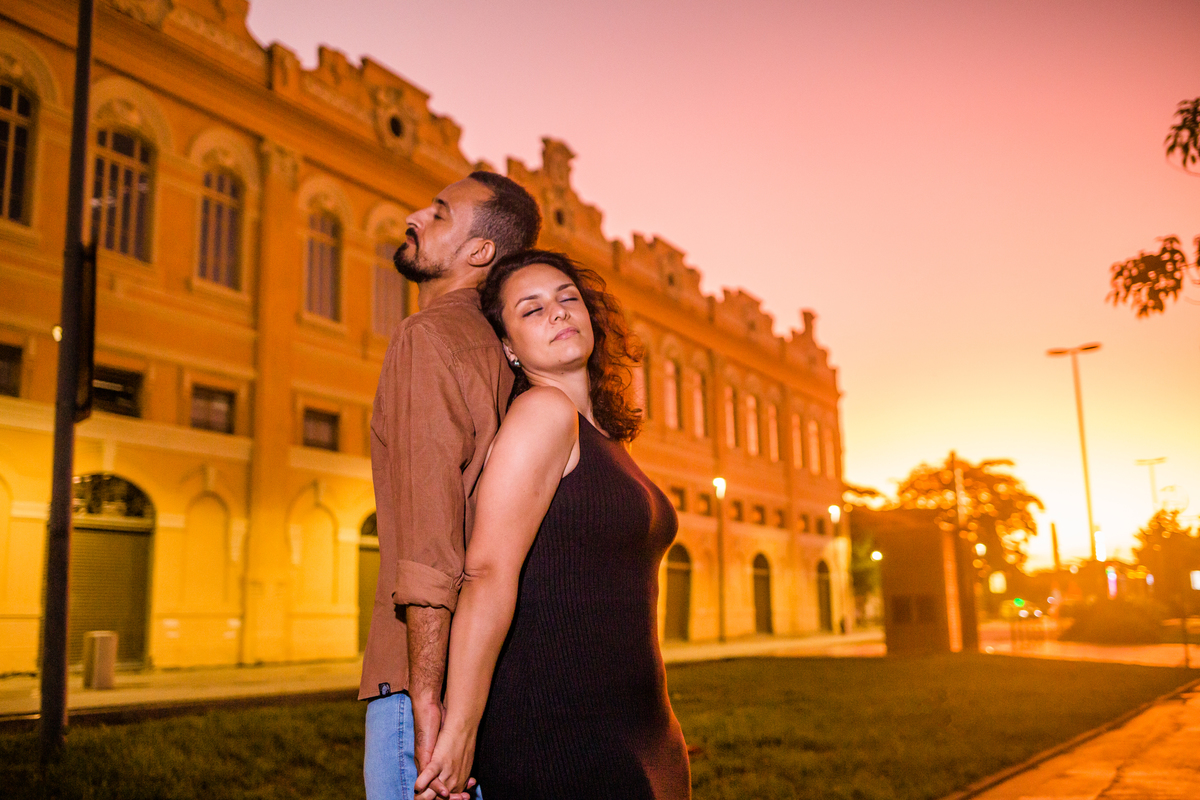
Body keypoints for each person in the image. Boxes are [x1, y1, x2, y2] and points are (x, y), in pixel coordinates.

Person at [415, 250, 692, 799]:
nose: (559, 312)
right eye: (532, 309)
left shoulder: (607, 439)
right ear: (508, 348)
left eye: (568, 298)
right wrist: (461, 729)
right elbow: (488, 571)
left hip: (644, 731)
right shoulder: (543, 413)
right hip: (559, 737)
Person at [360, 171, 541, 800]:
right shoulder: (510, 352)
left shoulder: (428, 336)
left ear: (480, 251)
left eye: (438, 214)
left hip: (424, 683)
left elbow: (432, 539)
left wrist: (428, 699)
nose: (414, 214)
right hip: (499, 679)